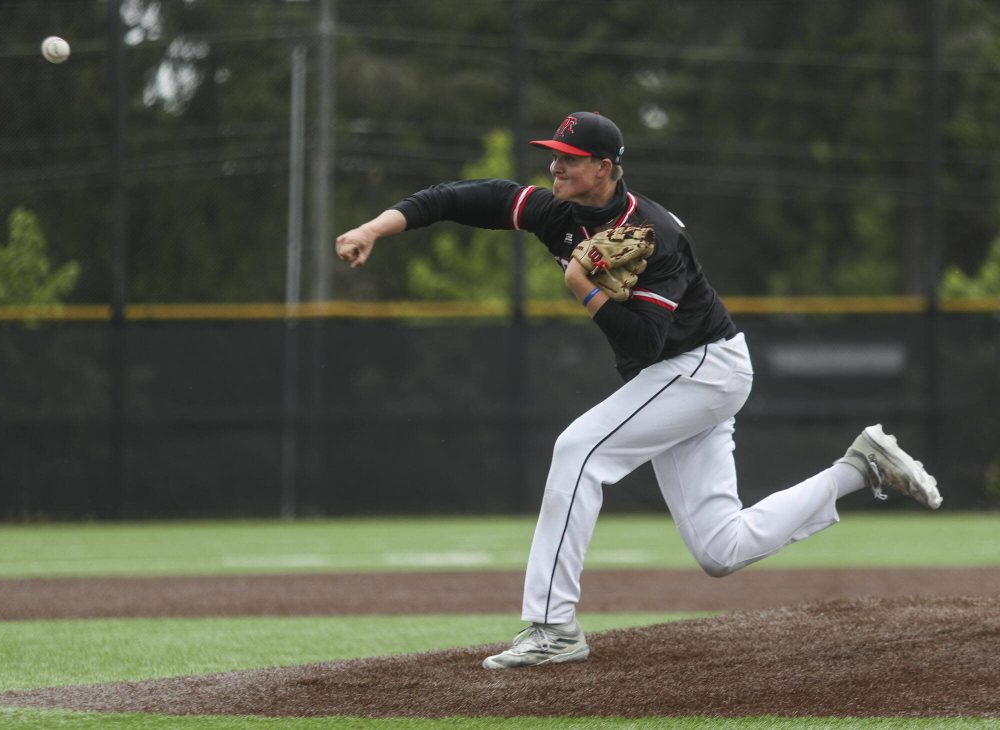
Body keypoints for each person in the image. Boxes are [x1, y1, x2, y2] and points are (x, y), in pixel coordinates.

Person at [335, 111, 942, 670]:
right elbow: (461, 198)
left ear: (604, 167)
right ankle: (861, 468)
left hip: (701, 367)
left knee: (578, 451)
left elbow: (643, 344)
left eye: (569, 157)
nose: (555, 165)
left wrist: (584, 287)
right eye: (554, 153)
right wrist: (374, 227)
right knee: (720, 549)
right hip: (685, 374)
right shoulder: (558, 213)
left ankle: (552, 627)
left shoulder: (654, 236)